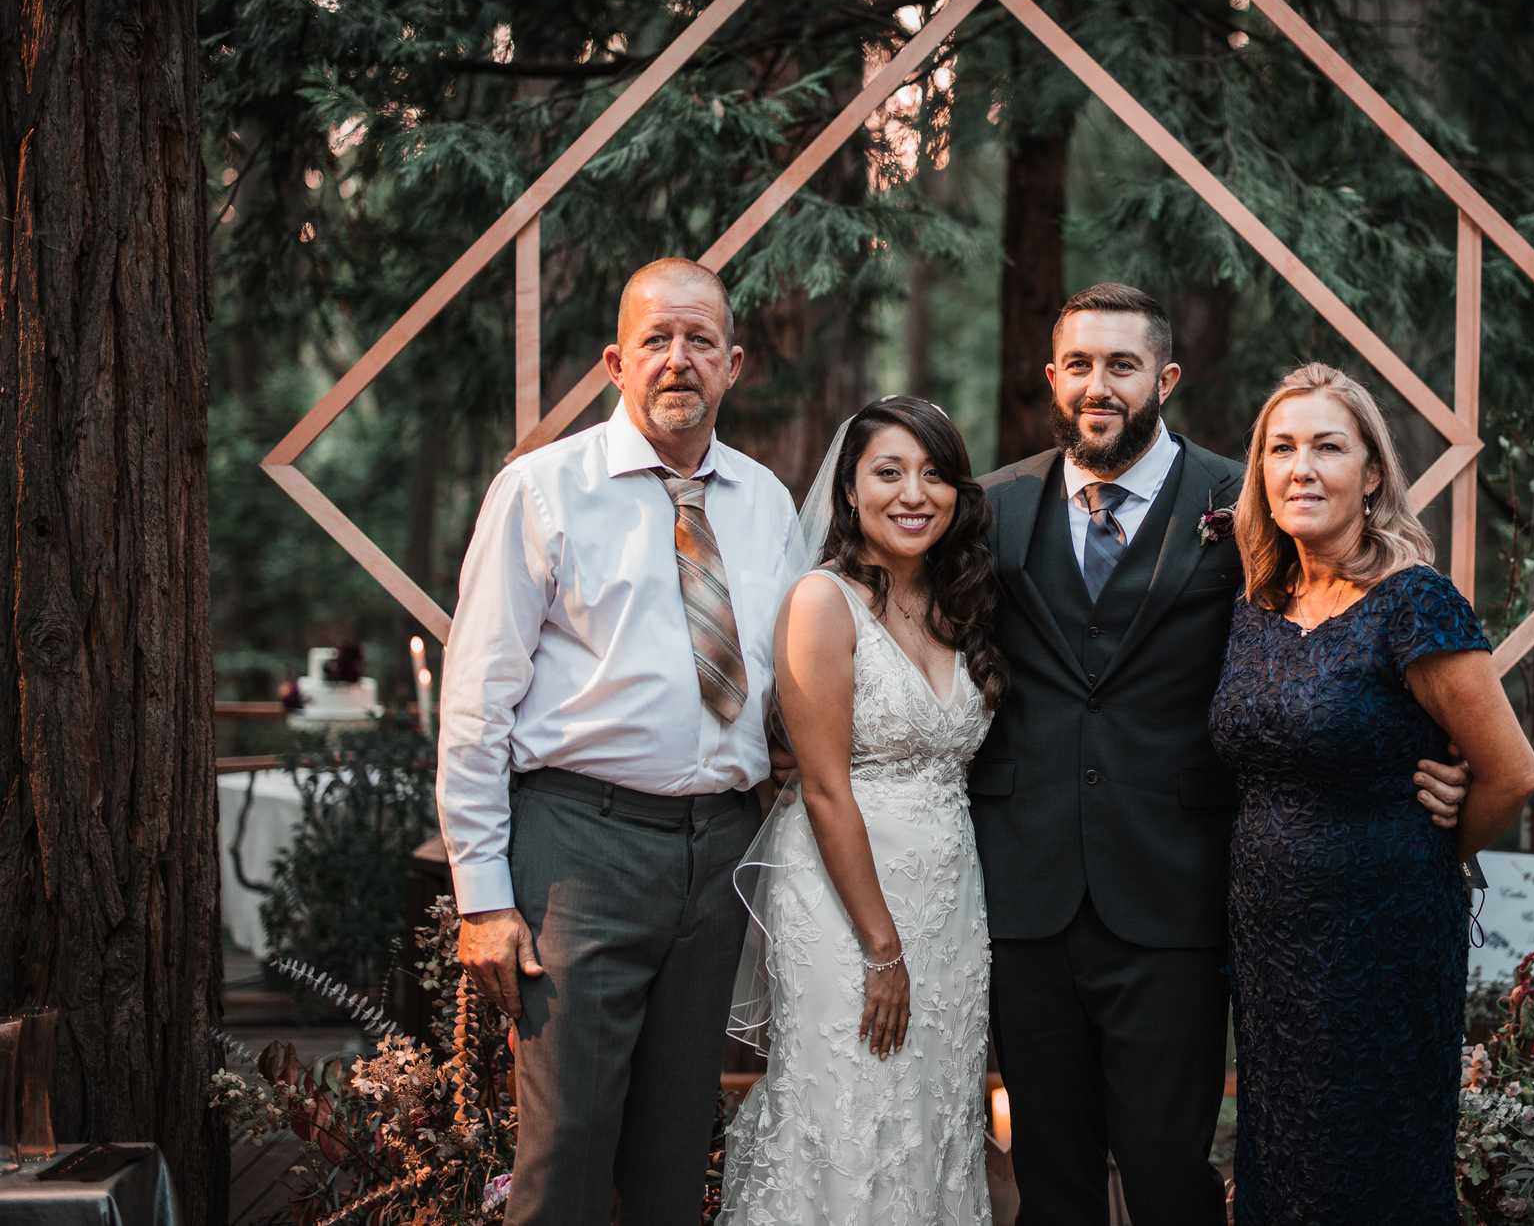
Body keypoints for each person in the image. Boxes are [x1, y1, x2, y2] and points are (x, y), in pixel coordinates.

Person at [971, 285, 1473, 1224]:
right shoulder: (992, 507)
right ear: (1052, 376)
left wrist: (1437, 758)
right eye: (1078, 364)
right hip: (1027, 893)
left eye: (1122, 365)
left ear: (1164, 377)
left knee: (1172, 1177)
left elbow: (1337, 626)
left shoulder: (1247, 504)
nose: (1097, 384)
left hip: (1177, 892)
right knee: (1051, 1176)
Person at [435, 258, 797, 1226]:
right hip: (580, 850)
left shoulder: (765, 503)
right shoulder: (543, 490)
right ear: (615, 360)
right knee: (567, 1151)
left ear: (733, 364)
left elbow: (783, 677)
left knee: (677, 1147)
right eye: (656, 340)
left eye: (700, 343)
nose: (678, 361)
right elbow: (476, 701)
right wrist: (484, 898)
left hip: (721, 849)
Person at [1208, 362, 1534, 1225]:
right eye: (1281, 448)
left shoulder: (1413, 603)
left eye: (1327, 446)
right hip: (1269, 941)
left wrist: (1442, 839)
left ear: (1373, 473)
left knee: (1370, 1169)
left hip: (1382, 941)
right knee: (1280, 1159)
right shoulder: (1257, 603)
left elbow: (1512, 768)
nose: (1301, 468)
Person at [718, 395, 1002, 1224]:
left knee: (935, 1111)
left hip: (950, 897)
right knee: (850, 1108)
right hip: (850, 905)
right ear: (849, 491)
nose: (914, 493)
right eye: (889, 472)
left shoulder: (958, 603)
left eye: (935, 473)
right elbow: (823, 785)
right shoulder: (821, 602)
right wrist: (882, 947)